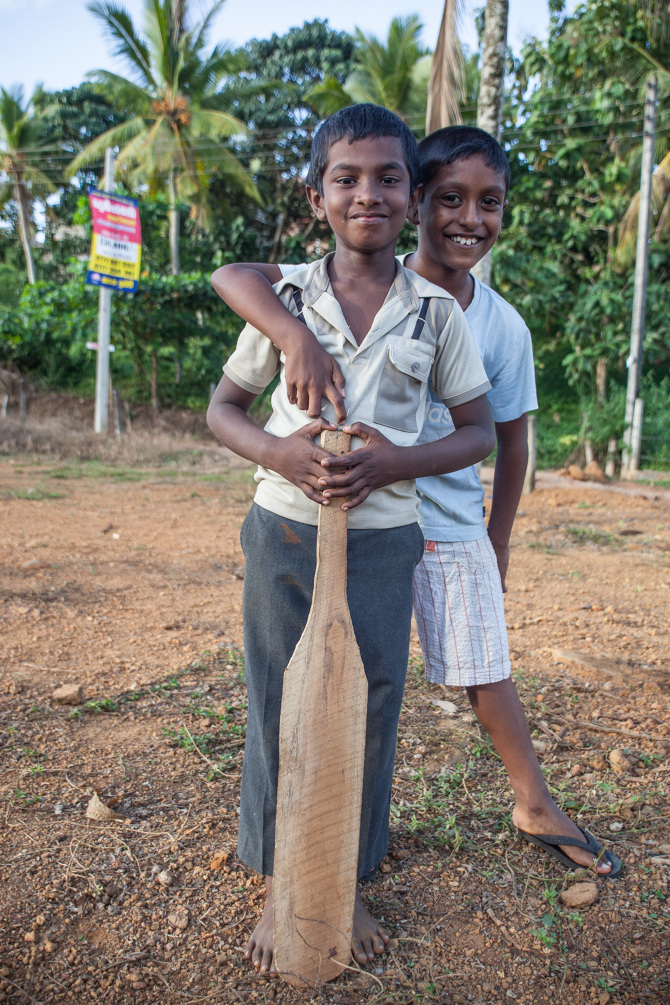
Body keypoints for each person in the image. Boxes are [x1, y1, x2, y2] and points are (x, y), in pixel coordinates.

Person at [211, 124, 622, 880]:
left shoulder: (482, 321)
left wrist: (498, 541)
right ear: (419, 206)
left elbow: (504, 440)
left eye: (488, 202)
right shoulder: (334, 274)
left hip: (434, 518)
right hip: (327, 518)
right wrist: (291, 335)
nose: (468, 218)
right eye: (450, 199)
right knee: (296, 688)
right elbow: (237, 283)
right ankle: (285, 859)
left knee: (460, 670)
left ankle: (524, 802)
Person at [207, 104, 495, 976]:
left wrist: (393, 462)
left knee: (367, 706)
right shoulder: (285, 296)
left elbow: (478, 432)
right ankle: (277, 875)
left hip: (383, 541)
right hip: (283, 533)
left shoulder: (433, 313)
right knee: (275, 698)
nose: (367, 192)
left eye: (388, 178)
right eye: (347, 178)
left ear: (413, 200)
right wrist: (281, 452)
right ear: (316, 195)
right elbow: (223, 411)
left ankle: (350, 872)